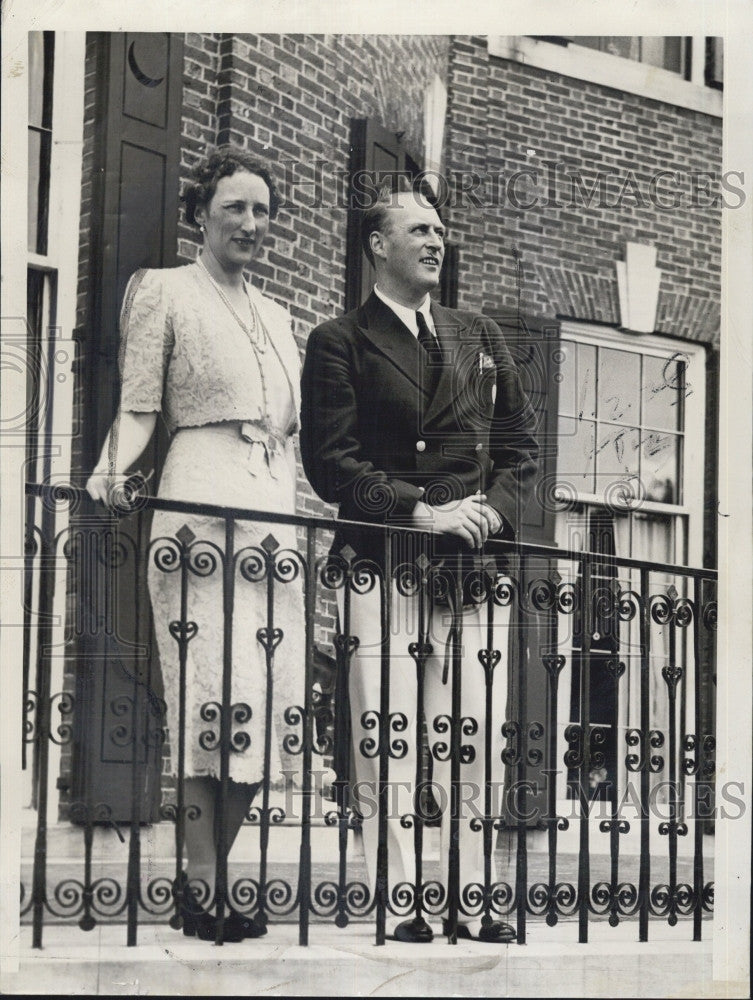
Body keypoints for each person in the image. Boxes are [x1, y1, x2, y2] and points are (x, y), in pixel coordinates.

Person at [300, 186, 539, 943]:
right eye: (418, 230)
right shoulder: (339, 340)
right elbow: (330, 463)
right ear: (377, 244)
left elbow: (519, 448)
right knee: (387, 733)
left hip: (469, 566)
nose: (437, 241)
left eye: (441, 230)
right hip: (384, 559)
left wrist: (491, 512)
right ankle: (400, 899)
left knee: (471, 736)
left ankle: (473, 898)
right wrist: (420, 508)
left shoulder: (478, 334)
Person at [86, 145, 303, 942]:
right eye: (234, 207)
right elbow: (141, 405)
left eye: (261, 210)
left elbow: (296, 431)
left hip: (274, 513)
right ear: (199, 215)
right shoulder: (166, 292)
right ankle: (201, 883)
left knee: (269, 702)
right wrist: (108, 471)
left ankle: (215, 876)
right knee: (210, 696)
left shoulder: (280, 316)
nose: (250, 223)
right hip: (200, 508)